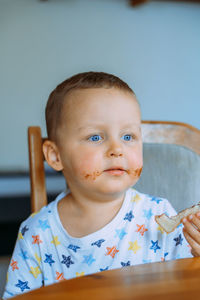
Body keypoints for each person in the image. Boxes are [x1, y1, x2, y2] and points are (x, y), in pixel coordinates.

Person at [3, 71, 200, 299]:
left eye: (128, 137)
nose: (117, 149)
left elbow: (187, 288)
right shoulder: (36, 233)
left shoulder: (158, 216)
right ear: (55, 156)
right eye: (95, 137)